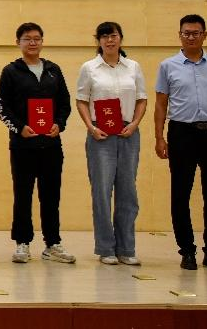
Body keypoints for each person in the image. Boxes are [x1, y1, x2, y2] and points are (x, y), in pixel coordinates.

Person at [154, 14, 207, 272]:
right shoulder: (168, 66)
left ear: (204, 35)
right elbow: (160, 104)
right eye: (186, 33)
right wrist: (159, 137)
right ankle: (187, 251)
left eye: (195, 33)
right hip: (182, 133)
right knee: (180, 194)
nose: (191, 37)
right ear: (179, 35)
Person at [0, 22, 74, 265]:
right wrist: (20, 128)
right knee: (23, 195)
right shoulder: (11, 71)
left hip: (51, 145)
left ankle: (53, 243)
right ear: (18, 42)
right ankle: (22, 243)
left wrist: (59, 124)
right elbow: (2, 106)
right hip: (22, 146)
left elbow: (65, 103)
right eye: (27, 39)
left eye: (37, 38)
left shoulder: (53, 70)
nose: (32, 42)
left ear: (42, 41)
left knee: (51, 196)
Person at [75, 21, 146, 266]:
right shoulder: (89, 68)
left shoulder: (133, 67)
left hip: (128, 133)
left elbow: (141, 99)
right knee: (102, 192)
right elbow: (82, 100)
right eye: (104, 36)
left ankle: (126, 248)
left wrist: (134, 124)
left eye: (113, 35)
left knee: (128, 191)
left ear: (120, 38)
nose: (109, 40)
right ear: (98, 41)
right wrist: (91, 127)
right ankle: (106, 248)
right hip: (100, 135)